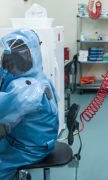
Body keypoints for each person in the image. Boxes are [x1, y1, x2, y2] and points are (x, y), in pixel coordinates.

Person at [0, 29, 58, 180]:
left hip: (29, 148)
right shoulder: (39, 78)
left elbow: (3, 110)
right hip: (38, 140)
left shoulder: (25, 89)